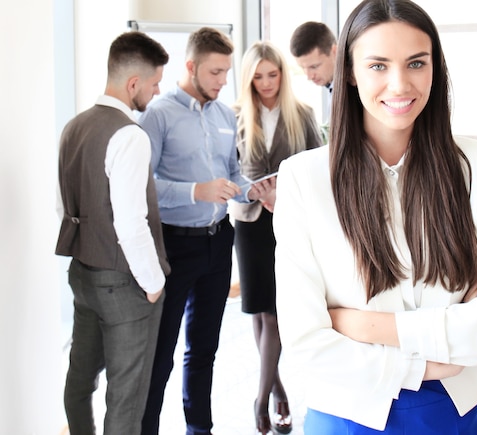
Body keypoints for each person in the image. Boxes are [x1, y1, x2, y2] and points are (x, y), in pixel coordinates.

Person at [273, 1, 477, 434]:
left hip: (454, 413)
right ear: (350, 72)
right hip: (349, 414)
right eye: (377, 65)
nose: (400, 83)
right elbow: (304, 344)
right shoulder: (304, 178)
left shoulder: (475, 165)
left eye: (416, 63)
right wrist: (426, 363)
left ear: (435, 67)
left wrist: (367, 325)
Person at [139, 27, 274, 435]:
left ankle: (200, 428)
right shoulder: (157, 115)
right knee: (161, 354)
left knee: (204, 350)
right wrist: (196, 191)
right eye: (214, 72)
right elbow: (142, 187)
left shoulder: (223, 115)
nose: (221, 81)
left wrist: (257, 191)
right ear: (191, 66)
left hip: (219, 243)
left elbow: (232, 177)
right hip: (174, 247)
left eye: (225, 73)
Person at [55, 31, 170, 435]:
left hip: (83, 276)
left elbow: (63, 208)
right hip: (124, 285)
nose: (157, 92)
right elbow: (130, 224)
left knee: (79, 382)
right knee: (126, 399)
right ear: (134, 83)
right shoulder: (129, 135)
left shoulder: (73, 127)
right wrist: (153, 284)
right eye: (155, 84)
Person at [231, 41, 322, 435]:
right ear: (248, 79)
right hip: (250, 223)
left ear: (283, 75)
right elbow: (227, 171)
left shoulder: (302, 114)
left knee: (278, 310)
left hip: (288, 221)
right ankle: (277, 390)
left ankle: (261, 398)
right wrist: (256, 193)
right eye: (258, 76)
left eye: (273, 74)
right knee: (260, 309)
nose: (266, 83)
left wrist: (282, 194)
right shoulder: (234, 117)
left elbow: (319, 166)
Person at [290, 21, 337, 92]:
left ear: (335, 52)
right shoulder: (331, 86)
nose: (309, 77)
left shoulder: (356, 90)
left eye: (314, 67)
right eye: (303, 67)